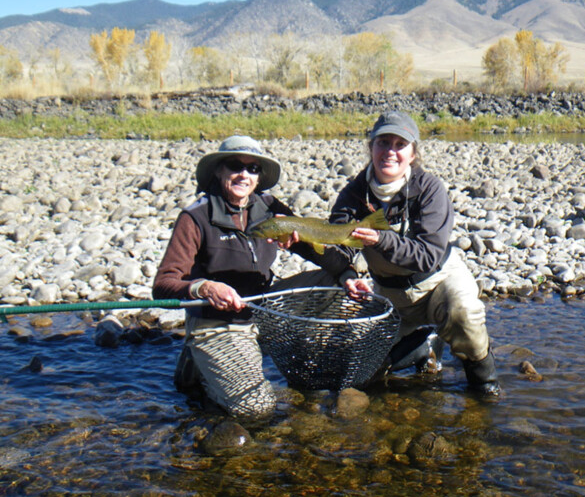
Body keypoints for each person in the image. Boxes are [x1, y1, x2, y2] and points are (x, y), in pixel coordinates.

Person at [153, 135, 347, 420]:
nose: (244, 174)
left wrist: (348, 272)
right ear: (219, 170)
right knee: (257, 409)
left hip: (263, 308)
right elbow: (163, 286)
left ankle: (291, 352)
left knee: (335, 285)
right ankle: (202, 364)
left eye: (253, 168)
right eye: (235, 165)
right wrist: (204, 287)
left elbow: (318, 252)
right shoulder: (195, 217)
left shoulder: (270, 209)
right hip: (218, 323)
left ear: (259, 177)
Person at [329, 111, 501, 396]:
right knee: (360, 371)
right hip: (391, 294)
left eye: (400, 144)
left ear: (412, 153)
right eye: (383, 142)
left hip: (439, 283)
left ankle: (484, 385)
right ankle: (423, 345)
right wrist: (343, 271)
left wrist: (381, 240)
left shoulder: (429, 189)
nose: (390, 152)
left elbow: (428, 256)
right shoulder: (354, 193)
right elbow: (337, 245)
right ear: (371, 147)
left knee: (465, 316)